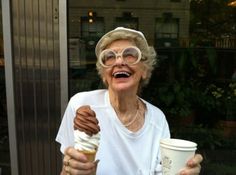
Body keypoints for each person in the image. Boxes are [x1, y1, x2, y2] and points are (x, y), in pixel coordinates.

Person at [56, 27, 203, 175]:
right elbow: (67, 168)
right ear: (104, 75)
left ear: (144, 70)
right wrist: (69, 170)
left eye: (130, 54)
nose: (119, 61)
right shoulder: (81, 104)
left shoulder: (157, 120)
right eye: (110, 56)